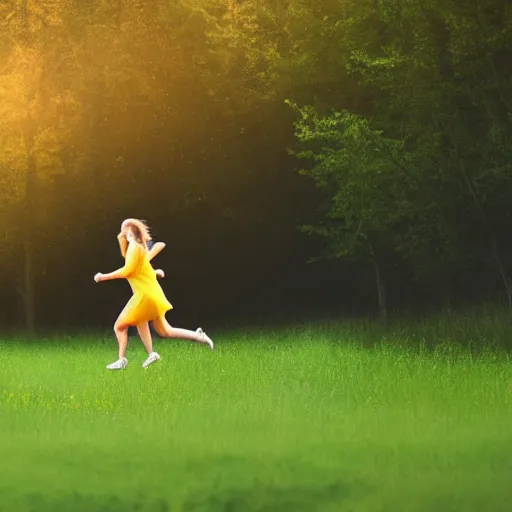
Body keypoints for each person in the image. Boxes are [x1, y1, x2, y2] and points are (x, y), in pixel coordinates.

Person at [94, 218, 214, 370]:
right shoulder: (137, 248)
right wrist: (156, 272)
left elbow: (127, 270)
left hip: (144, 296)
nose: (121, 233)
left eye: (123, 230)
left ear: (129, 231)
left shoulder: (135, 248)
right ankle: (197, 336)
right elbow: (133, 263)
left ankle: (122, 359)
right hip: (150, 294)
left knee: (119, 327)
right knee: (164, 330)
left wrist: (103, 277)